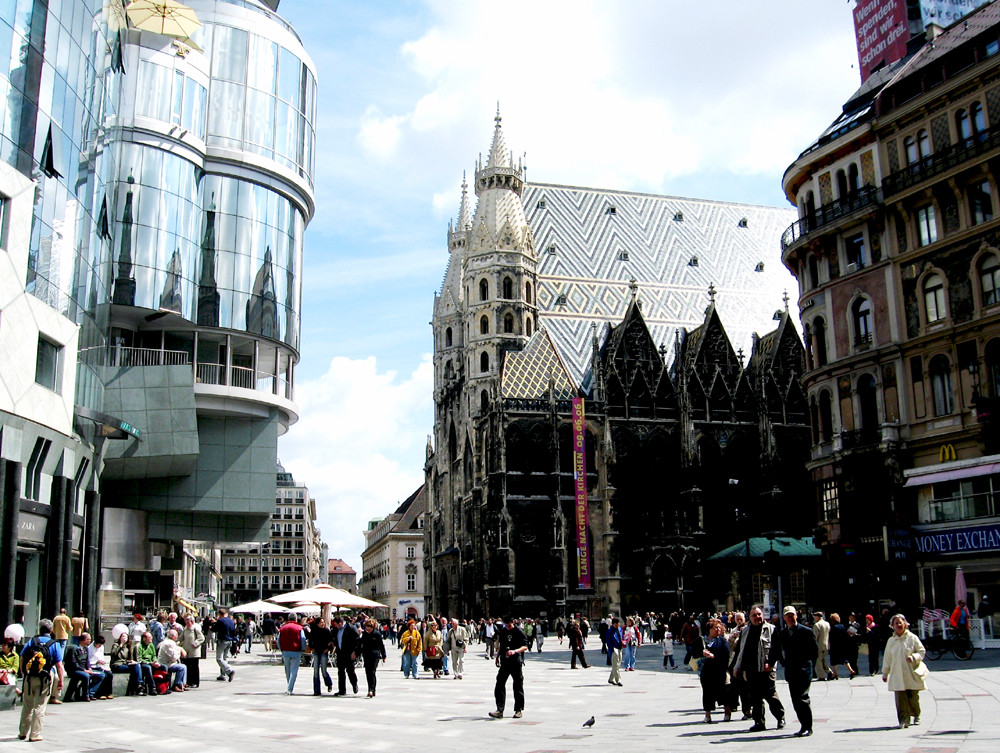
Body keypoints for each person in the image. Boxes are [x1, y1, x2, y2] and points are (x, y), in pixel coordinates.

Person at [734, 605, 785, 732]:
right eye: (754, 615)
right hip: (751, 670)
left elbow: (777, 650)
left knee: (770, 695)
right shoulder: (745, 631)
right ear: (749, 617)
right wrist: (737, 667)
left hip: (766, 669)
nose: (757, 617)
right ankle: (759, 722)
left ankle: (780, 717)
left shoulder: (772, 629)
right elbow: (741, 651)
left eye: (759, 614)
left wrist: (771, 663)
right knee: (755, 697)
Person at [18, 619, 64, 742]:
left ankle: (23, 732)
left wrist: (24, 673)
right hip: (45, 678)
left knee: (27, 705)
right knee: (40, 706)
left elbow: (22, 658)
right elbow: (59, 665)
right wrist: (60, 680)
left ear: (39, 629)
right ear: (51, 630)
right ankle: (35, 734)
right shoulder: (55, 644)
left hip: (29, 677)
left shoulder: (32, 641)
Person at [775, 606, 818, 737]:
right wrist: (783, 663)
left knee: (803, 697)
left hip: (804, 670)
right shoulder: (782, 633)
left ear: (796, 616)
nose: (790, 618)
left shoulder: (806, 631)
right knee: (795, 699)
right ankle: (802, 725)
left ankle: (808, 726)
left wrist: (809, 666)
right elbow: (778, 650)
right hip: (791, 671)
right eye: (787, 616)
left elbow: (814, 651)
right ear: (784, 618)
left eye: (792, 615)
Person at [882, 613, 928, 728]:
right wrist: (885, 673)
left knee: (913, 697)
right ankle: (903, 720)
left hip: (911, 673)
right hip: (897, 674)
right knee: (900, 699)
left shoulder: (912, 638)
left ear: (905, 624)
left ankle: (916, 714)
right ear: (892, 626)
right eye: (896, 623)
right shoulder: (891, 641)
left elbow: (921, 651)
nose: (898, 625)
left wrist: (914, 657)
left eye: (900, 622)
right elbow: (887, 658)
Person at [489, 616, 528, 719]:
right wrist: (497, 657)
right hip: (505, 662)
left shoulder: (518, 631)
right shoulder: (503, 631)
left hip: (516, 662)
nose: (508, 627)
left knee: (518, 685)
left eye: (509, 625)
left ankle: (518, 710)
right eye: (506, 625)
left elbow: (525, 646)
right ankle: (499, 709)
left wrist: (515, 651)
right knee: (499, 684)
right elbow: (501, 645)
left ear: (513, 622)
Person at [700, 618, 731, 723]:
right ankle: (707, 715)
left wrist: (714, 656)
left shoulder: (722, 641)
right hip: (706, 671)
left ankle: (727, 711)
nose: (718, 630)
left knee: (723, 692)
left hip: (719, 670)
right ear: (710, 629)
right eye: (716, 628)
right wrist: (702, 653)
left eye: (719, 627)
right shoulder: (703, 640)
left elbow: (726, 655)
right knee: (707, 692)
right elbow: (694, 652)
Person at [278, 614, 306, 695]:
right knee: (294, 671)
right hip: (296, 650)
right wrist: (303, 649)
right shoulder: (299, 628)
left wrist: (281, 649)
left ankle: (289, 685)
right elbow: (303, 639)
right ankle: (290, 688)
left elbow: (278, 639)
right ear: (296, 619)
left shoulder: (282, 628)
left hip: (286, 651)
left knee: (287, 669)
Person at [332, 615, 360, 695]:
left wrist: (355, 652)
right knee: (340, 672)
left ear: (340, 623)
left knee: (350, 671)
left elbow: (357, 641)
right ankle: (342, 690)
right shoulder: (336, 630)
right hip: (340, 653)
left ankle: (354, 684)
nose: (335, 626)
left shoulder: (351, 628)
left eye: (336, 624)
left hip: (349, 653)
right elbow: (335, 638)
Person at [308, 617, 334, 696]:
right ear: (317, 623)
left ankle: (329, 683)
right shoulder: (314, 631)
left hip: (324, 652)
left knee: (323, 670)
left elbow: (331, 642)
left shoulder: (327, 631)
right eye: (321, 622)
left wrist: (328, 649)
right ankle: (316, 690)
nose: (323, 623)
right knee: (316, 671)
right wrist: (311, 648)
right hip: (316, 651)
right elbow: (310, 640)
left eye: (323, 622)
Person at [360, 618, 386, 697]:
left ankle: (372, 689)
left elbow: (381, 645)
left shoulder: (377, 634)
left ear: (373, 627)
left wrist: (384, 656)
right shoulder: (364, 634)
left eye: (369, 627)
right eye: (367, 627)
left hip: (375, 655)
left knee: (372, 672)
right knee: (368, 673)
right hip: (366, 655)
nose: (368, 628)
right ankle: (370, 689)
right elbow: (361, 644)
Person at [829, 613, 857, 679]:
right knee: (845, 659)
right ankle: (851, 670)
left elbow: (832, 638)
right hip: (843, 646)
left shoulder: (833, 627)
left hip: (835, 646)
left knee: (834, 660)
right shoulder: (842, 626)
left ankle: (835, 674)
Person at [86, 634, 114, 699]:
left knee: (109, 674)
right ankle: (99, 693)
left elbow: (101, 656)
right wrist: (96, 662)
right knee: (102, 675)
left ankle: (107, 692)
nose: (100, 646)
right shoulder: (89, 648)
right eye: (99, 645)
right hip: (92, 667)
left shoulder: (101, 647)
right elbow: (88, 660)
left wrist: (101, 661)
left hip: (99, 666)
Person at [213, 608, 237, 682]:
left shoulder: (220, 621)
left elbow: (214, 629)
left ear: (219, 614)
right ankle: (223, 675)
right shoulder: (231, 620)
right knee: (225, 658)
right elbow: (234, 631)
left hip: (222, 640)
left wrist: (214, 623)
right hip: (230, 641)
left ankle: (229, 671)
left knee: (219, 658)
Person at [180, 615, 205, 688]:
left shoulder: (195, 629)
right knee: (188, 667)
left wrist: (195, 643)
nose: (186, 623)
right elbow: (181, 638)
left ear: (191, 621)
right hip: (186, 651)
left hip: (194, 651)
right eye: (185, 621)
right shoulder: (185, 629)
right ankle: (189, 682)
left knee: (194, 667)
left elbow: (201, 638)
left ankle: (195, 682)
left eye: (188, 621)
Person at [812, 611, 833, 681]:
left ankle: (821, 676)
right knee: (823, 660)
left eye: (815, 616)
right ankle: (830, 672)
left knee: (818, 661)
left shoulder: (817, 625)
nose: (814, 618)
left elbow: (815, 637)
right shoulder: (827, 624)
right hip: (826, 645)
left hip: (819, 645)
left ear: (817, 617)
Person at [606, 616, 624, 687]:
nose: (617, 625)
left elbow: (621, 637)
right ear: (612, 624)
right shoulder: (609, 631)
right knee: (615, 665)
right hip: (614, 648)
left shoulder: (620, 629)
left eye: (618, 624)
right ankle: (618, 680)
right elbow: (608, 641)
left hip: (620, 648)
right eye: (615, 624)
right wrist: (612, 649)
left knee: (618, 665)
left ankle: (610, 679)